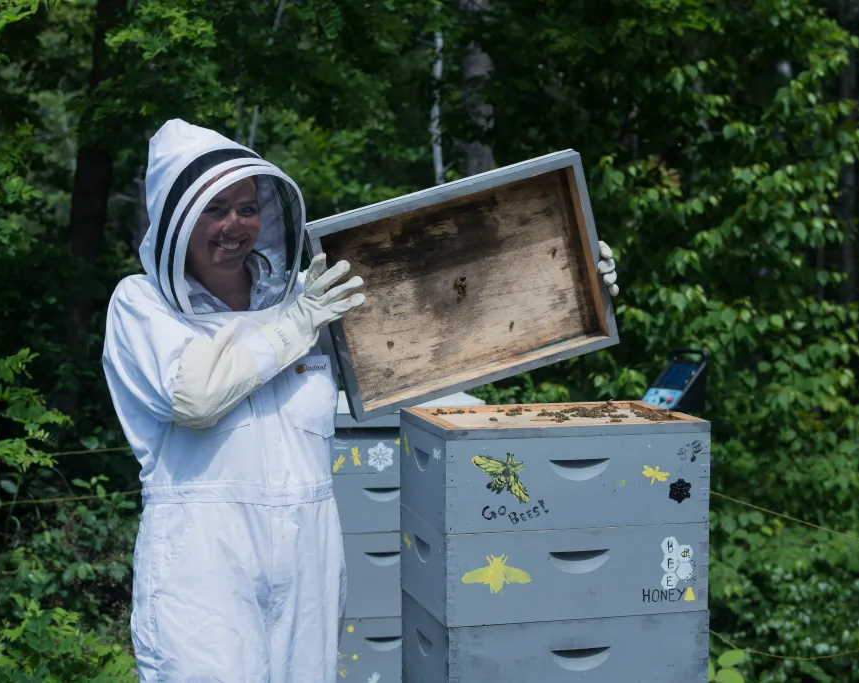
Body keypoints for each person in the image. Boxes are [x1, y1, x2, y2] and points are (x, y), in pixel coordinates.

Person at [103, 119, 621, 683]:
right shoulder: (141, 305)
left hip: (310, 551)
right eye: (214, 209)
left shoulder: (310, 298)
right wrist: (295, 326)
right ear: (176, 218)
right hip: (203, 559)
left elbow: (437, 325)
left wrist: (568, 272)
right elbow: (195, 398)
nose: (235, 225)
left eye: (247, 207)